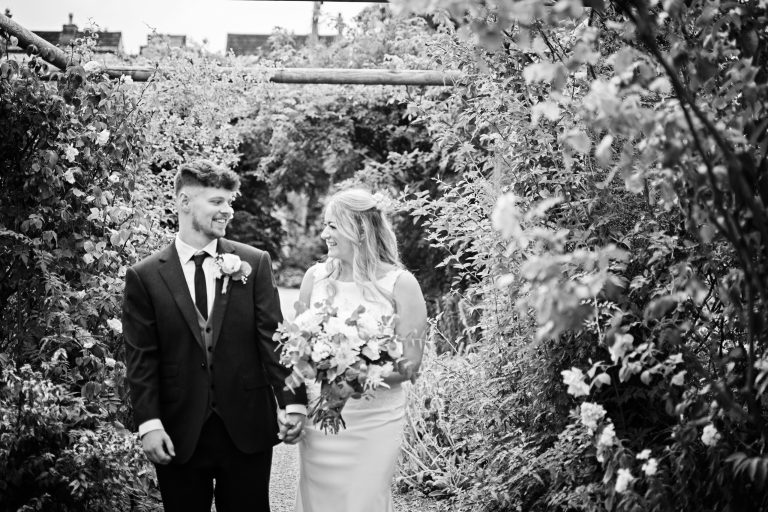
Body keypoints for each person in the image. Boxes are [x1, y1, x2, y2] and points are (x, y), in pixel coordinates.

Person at [121, 160, 307, 512]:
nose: (228, 211)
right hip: (179, 429)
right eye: (217, 201)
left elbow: (274, 340)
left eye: (230, 202)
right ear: (184, 201)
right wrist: (148, 423)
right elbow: (142, 357)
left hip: (246, 426)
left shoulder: (254, 262)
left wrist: (293, 403)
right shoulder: (144, 276)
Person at [295, 188, 428, 512]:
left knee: (364, 501)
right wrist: (309, 371)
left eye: (333, 226)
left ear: (361, 229)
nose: (324, 234)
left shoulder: (401, 284)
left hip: (376, 421)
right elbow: (296, 349)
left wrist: (356, 377)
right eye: (325, 225)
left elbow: (411, 365)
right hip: (324, 416)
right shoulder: (314, 278)